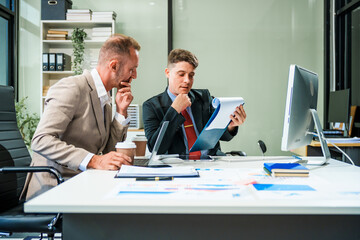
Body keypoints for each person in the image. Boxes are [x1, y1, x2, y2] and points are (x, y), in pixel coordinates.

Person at [23, 34, 141, 200]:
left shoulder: (103, 99)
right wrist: (94, 160)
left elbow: (107, 152)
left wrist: (121, 112)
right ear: (113, 65)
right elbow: (41, 140)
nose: (134, 75)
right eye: (132, 69)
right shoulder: (72, 88)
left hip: (83, 184)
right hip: (54, 188)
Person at [142, 49, 246, 158]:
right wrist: (174, 110)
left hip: (211, 163)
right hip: (177, 165)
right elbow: (155, 148)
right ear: (168, 73)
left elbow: (221, 136)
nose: (187, 80)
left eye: (191, 75)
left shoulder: (203, 97)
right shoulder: (151, 106)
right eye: (181, 74)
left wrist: (230, 127)